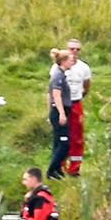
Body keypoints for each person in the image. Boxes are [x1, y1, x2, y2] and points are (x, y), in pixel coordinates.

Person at [51, 39, 92, 176]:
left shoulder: (83, 67)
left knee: (77, 135)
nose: (74, 52)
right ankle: (59, 166)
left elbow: (87, 85)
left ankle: (74, 168)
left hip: (75, 102)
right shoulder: (56, 69)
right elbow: (52, 90)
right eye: (71, 49)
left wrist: (80, 96)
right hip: (61, 104)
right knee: (61, 136)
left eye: (77, 49)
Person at [47, 49, 73, 179]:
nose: (72, 62)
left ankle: (57, 170)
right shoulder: (58, 76)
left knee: (58, 142)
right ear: (63, 61)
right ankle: (52, 170)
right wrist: (62, 114)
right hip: (59, 111)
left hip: (59, 111)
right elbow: (56, 95)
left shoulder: (61, 74)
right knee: (64, 143)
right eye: (70, 60)